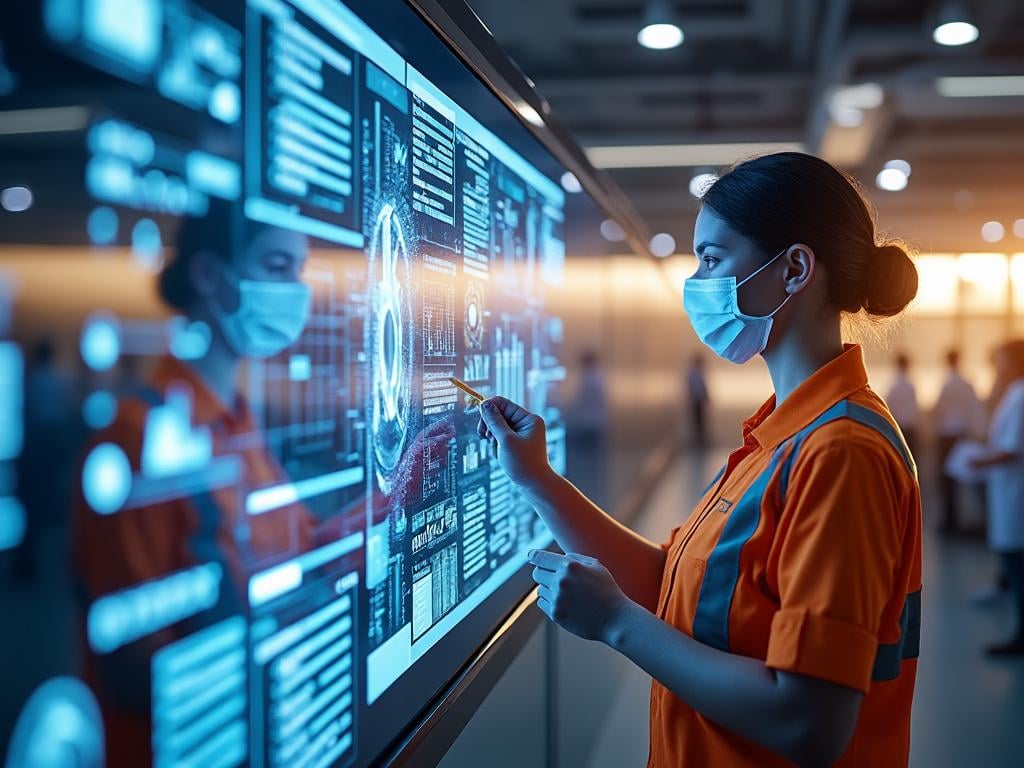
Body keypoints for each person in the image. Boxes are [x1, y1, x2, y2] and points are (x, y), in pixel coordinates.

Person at [477, 152, 922, 767]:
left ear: (794, 269)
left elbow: (808, 720)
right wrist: (539, 481)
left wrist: (617, 626)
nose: (699, 282)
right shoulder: (780, 434)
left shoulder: (842, 452)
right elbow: (673, 589)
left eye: (712, 259)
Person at [73, 205, 450, 766]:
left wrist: (400, 495)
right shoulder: (139, 435)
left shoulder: (238, 421)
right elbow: (136, 668)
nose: (293, 292)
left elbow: (301, 557)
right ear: (209, 276)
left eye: (298, 270)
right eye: (277, 266)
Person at [970, 339, 1024, 655]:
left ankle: (1021, 637)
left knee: (1017, 569)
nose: (996, 365)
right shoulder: (1012, 393)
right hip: (1009, 490)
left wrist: (976, 461)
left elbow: (1010, 449)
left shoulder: (1019, 396)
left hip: (1014, 493)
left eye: (1001, 360)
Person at [933, 349, 984, 534]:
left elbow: (938, 409)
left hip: (947, 436)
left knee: (948, 481)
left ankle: (950, 521)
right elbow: (974, 410)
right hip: (962, 435)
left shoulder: (947, 383)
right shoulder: (967, 383)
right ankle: (964, 521)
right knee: (964, 479)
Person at [886, 352, 919, 459]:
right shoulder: (911, 385)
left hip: (898, 428)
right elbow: (915, 409)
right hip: (911, 427)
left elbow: (889, 407)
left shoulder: (893, 386)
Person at [685, 353, 710, 448]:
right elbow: (691, 388)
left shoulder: (698, 373)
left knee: (701, 420)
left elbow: (703, 387)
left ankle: (701, 439)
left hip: (699, 401)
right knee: (697, 421)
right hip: (695, 401)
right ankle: (697, 440)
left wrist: (706, 397)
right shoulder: (693, 373)